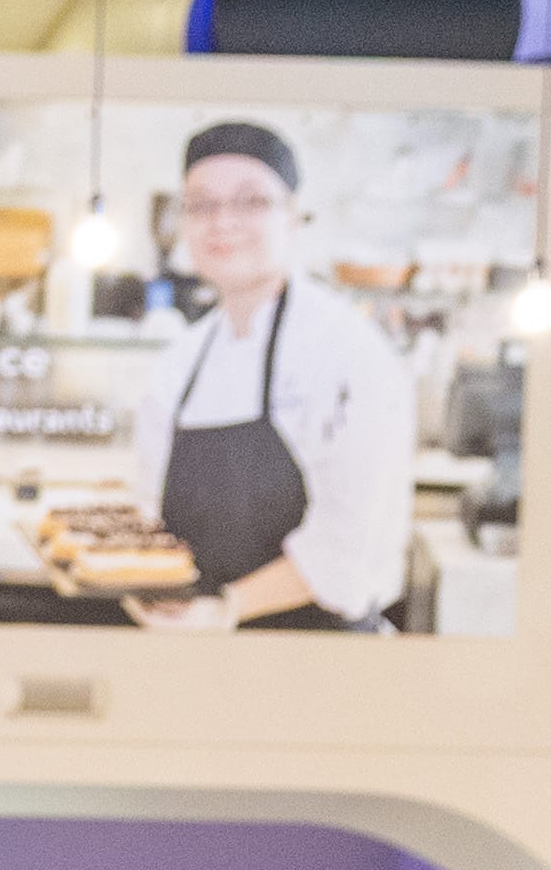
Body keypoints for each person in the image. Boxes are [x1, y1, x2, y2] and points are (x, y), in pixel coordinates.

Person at [112, 124, 422, 637]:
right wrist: (143, 587)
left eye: (251, 201)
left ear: (294, 216)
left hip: (320, 660)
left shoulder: (349, 352)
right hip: (199, 648)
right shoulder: (180, 361)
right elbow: (152, 510)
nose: (222, 222)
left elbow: (351, 542)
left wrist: (228, 608)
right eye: (200, 204)